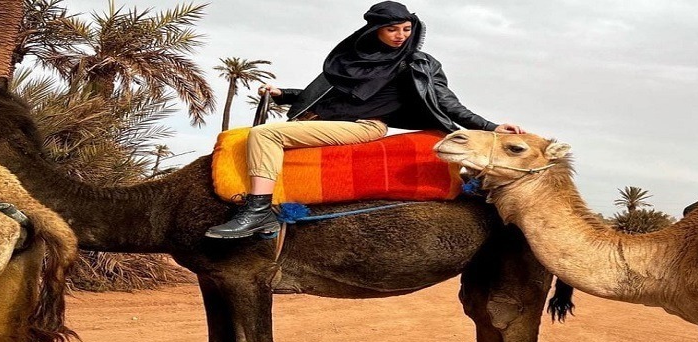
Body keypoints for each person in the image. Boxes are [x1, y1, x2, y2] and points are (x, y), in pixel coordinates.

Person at [206, 1, 524, 239]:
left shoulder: (416, 64)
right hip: (332, 119)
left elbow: (445, 101)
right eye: (392, 29)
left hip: (363, 126)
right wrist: (283, 93)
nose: (401, 36)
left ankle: (258, 211)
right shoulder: (355, 60)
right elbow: (337, 98)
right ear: (375, 30)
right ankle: (271, 212)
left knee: (264, 136)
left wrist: (490, 126)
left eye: (406, 28)